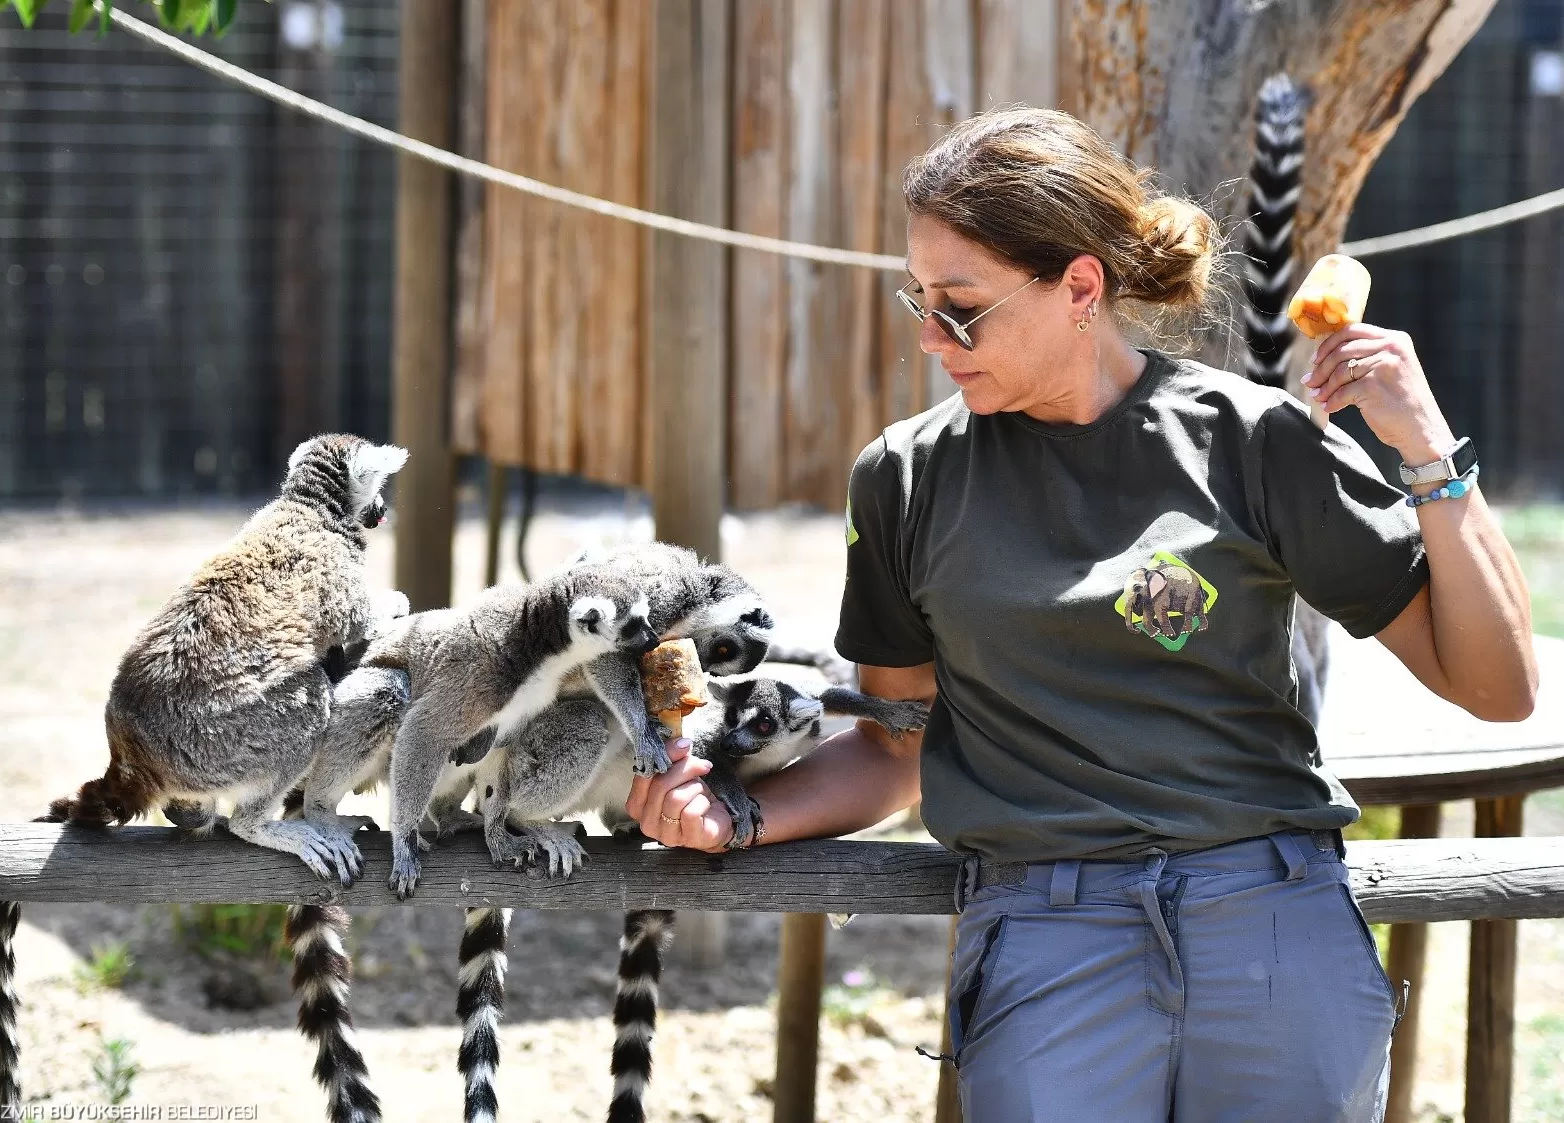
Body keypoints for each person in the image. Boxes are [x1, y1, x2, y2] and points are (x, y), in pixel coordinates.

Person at [625, 107, 1537, 1122]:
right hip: (1049, 934)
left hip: (1271, 916)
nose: (931, 341)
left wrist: (1427, 456)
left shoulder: (1251, 441)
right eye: (918, 302)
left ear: (1079, 287)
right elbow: (894, 748)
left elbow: (1497, 687)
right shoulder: (908, 478)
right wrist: (737, 816)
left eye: (960, 309)